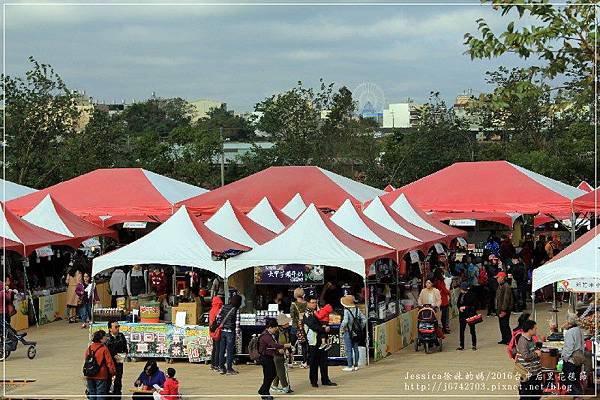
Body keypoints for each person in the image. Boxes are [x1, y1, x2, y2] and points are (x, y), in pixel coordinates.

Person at [304, 295, 336, 388]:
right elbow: (312, 326)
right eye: (312, 302)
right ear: (308, 303)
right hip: (314, 341)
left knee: (324, 361)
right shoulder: (307, 314)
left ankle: (325, 379)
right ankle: (313, 381)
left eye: (315, 302)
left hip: (322, 340)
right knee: (313, 362)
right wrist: (324, 329)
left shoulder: (317, 311)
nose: (314, 304)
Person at [258, 318, 291, 400]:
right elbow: (273, 345)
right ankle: (264, 392)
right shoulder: (266, 336)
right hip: (265, 358)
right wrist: (284, 346)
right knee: (270, 375)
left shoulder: (268, 334)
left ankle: (264, 391)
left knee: (270, 375)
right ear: (270, 327)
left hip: (268, 357)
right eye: (274, 328)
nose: (275, 329)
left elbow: (272, 346)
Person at [84, 330, 116, 400]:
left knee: (92, 394)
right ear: (101, 338)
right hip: (101, 375)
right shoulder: (104, 348)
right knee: (100, 394)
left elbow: (86, 360)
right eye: (105, 336)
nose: (106, 338)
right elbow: (109, 362)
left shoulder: (89, 348)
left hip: (90, 374)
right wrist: (113, 372)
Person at [515, 320, 543, 400]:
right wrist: (536, 354)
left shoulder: (530, 339)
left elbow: (532, 350)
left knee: (536, 393)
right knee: (527, 394)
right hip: (527, 373)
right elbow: (526, 356)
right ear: (530, 330)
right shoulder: (523, 341)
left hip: (534, 372)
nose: (536, 330)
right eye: (535, 328)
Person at [340, 294, 366, 371]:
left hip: (348, 331)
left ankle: (350, 366)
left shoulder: (346, 310)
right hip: (356, 332)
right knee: (355, 348)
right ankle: (356, 365)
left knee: (348, 349)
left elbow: (345, 321)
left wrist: (341, 328)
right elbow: (364, 319)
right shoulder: (357, 309)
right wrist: (360, 327)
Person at [217, 294, 241, 375]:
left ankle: (221, 368)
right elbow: (237, 323)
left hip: (223, 331)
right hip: (230, 332)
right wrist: (237, 334)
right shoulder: (236, 310)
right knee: (229, 351)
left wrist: (220, 324)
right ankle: (229, 369)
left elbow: (218, 317)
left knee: (221, 350)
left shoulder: (224, 306)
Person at [562, 314, 584, 396]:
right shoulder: (579, 330)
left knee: (568, 378)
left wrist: (565, 358)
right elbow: (583, 344)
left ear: (568, 322)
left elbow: (569, 347)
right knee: (576, 378)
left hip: (571, 359)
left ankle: (576, 394)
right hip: (579, 357)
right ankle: (579, 394)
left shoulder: (570, 332)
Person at [271, 314, 293, 394]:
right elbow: (274, 343)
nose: (288, 323)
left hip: (283, 352)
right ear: (282, 323)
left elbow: (287, 342)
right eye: (287, 322)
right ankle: (285, 387)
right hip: (277, 353)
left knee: (278, 370)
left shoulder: (286, 331)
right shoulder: (276, 332)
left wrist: (288, 350)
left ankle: (274, 386)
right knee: (281, 371)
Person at [105, 320, 128, 398]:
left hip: (119, 363)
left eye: (118, 326)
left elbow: (125, 348)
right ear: (110, 329)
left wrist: (123, 355)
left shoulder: (121, 336)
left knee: (118, 380)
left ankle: (117, 396)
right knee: (108, 381)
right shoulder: (106, 338)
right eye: (116, 327)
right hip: (109, 364)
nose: (118, 328)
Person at [290, 287, 308, 369]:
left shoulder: (294, 304)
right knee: (304, 344)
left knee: (292, 344)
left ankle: (290, 362)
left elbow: (292, 316)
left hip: (295, 326)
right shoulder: (307, 304)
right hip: (304, 326)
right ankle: (305, 362)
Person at [456, 283, 477, 351]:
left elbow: (474, 306)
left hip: (470, 314)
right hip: (462, 315)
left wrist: (465, 307)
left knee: (472, 330)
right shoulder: (461, 294)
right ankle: (461, 345)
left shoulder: (472, 294)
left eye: (461, 288)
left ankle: (474, 345)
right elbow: (458, 303)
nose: (460, 290)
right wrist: (459, 308)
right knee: (461, 330)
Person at [495, 272, 514, 345]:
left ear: (502, 278)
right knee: (502, 325)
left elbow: (506, 299)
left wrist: (503, 310)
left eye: (498, 278)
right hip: (500, 309)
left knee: (505, 325)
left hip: (504, 310)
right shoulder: (500, 286)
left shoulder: (506, 286)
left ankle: (509, 339)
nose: (497, 279)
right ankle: (504, 338)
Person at [208, 295, 224, 371]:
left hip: (212, 331)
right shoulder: (218, 310)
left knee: (214, 348)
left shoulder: (211, 310)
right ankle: (217, 364)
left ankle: (213, 364)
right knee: (218, 348)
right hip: (218, 331)